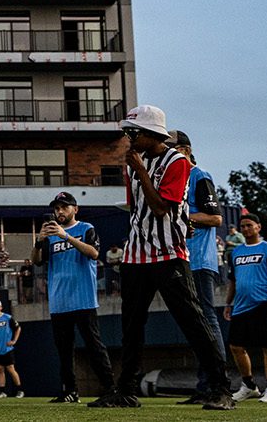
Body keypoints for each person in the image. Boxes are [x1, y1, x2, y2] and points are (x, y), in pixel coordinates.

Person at [89, 105, 232, 410]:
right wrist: (137, 170)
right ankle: (126, 389)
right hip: (136, 255)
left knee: (193, 321)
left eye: (133, 132)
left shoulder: (177, 162)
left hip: (168, 253)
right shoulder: (135, 163)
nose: (129, 138)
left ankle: (221, 388)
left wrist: (140, 171)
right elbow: (136, 209)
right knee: (131, 326)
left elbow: (161, 208)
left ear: (152, 133)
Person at [33, 191, 114, 403]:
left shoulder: (86, 228)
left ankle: (110, 388)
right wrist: (39, 240)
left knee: (94, 345)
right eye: (57, 208)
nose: (60, 211)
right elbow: (37, 261)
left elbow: (94, 253)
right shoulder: (50, 236)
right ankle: (70, 390)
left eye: (64, 207)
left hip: (83, 298)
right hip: (59, 301)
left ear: (75, 209)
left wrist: (66, 236)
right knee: (64, 351)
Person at [167, 130, 227, 405]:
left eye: (171, 148)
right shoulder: (173, 178)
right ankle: (205, 385)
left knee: (206, 320)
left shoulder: (198, 175)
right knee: (195, 323)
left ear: (186, 150)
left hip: (201, 260)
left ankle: (216, 384)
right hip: (182, 259)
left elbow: (215, 218)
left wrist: (180, 215)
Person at [223, 213, 267, 404]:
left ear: (258, 227)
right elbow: (232, 281)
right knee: (235, 346)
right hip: (241, 306)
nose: (246, 229)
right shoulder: (236, 252)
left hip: (264, 304)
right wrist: (228, 303)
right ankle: (249, 385)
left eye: (249, 225)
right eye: (243, 226)